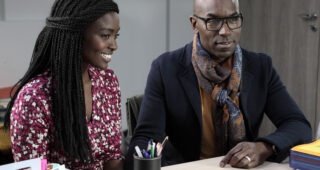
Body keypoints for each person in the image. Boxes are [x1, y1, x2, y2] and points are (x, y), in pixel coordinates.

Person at [125, 0, 312, 169]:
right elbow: (144, 140)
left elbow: (298, 126)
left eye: (233, 19)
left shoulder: (260, 66)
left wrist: (263, 148)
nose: (225, 31)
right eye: (213, 21)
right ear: (194, 24)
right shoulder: (165, 68)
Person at [4, 0, 123, 169]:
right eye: (105, 35)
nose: (114, 46)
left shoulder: (108, 82)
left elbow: (113, 158)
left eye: (115, 36)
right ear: (77, 33)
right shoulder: (34, 99)